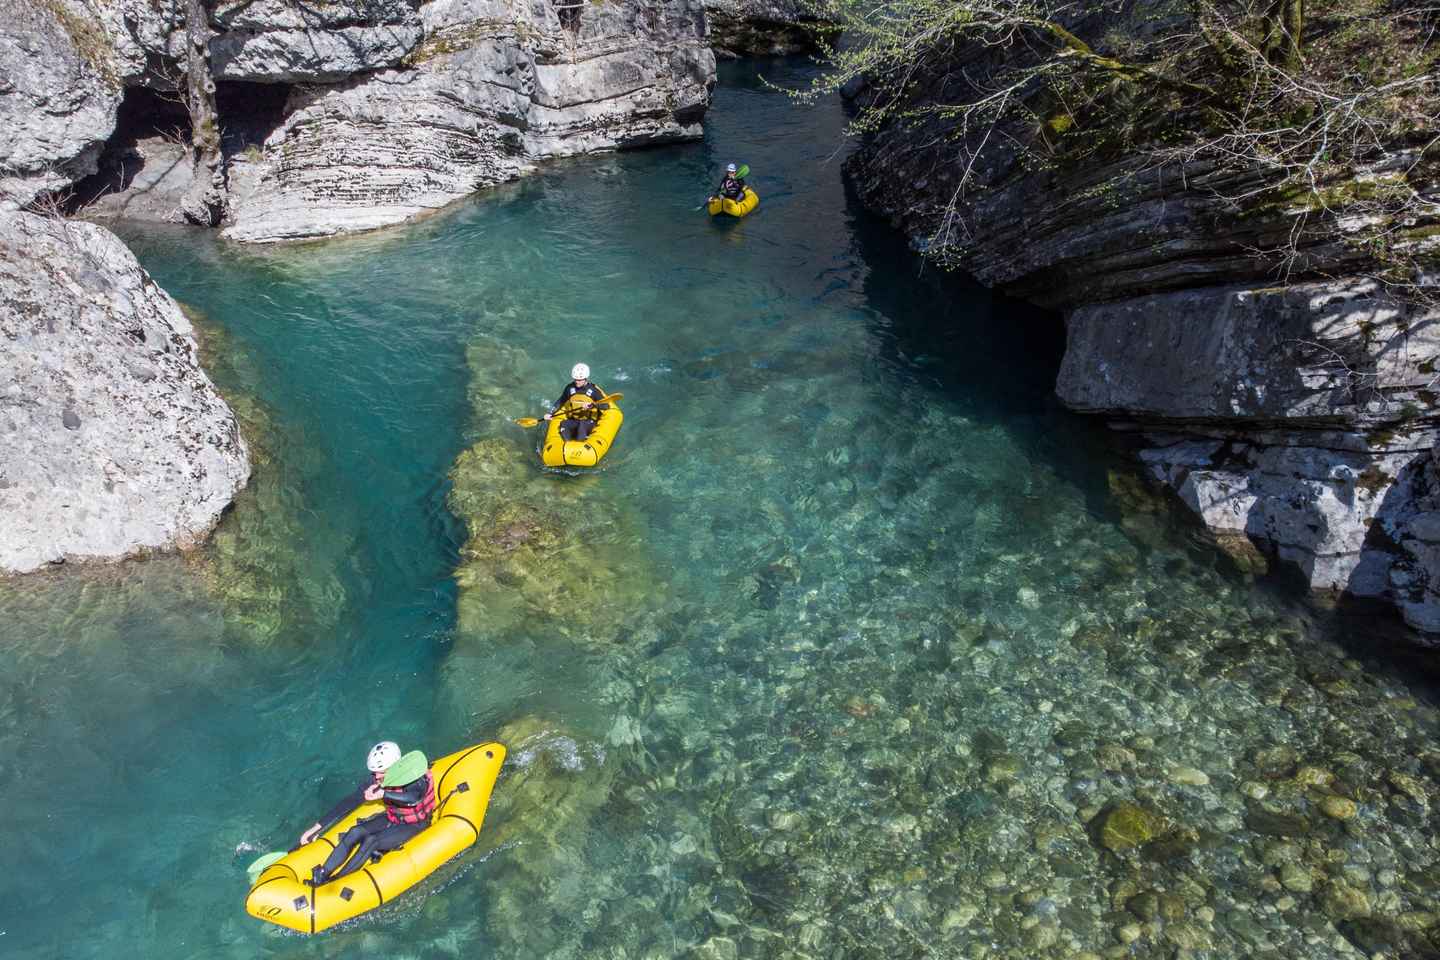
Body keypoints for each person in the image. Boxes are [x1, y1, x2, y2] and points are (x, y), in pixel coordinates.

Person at [299, 740, 436, 886]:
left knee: (372, 840)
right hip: (394, 817)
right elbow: (350, 801)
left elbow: (414, 797)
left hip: (415, 824)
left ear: (394, 766)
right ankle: (322, 874)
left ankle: (337, 881)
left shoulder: (414, 776)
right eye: (374, 772)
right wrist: (316, 828)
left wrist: (383, 794)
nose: (376, 776)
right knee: (355, 831)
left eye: (381, 772)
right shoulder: (377, 779)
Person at [543, 362, 610, 442]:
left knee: (582, 426)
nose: (577, 382)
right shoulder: (569, 388)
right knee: (564, 424)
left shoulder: (593, 390)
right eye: (575, 379)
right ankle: (566, 445)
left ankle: (581, 445)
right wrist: (550, 413)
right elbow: (560, 401)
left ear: (585, 378)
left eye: (580, 380)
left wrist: (592, 405)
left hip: (589, 421)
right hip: (575, 420)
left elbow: (606, 406)